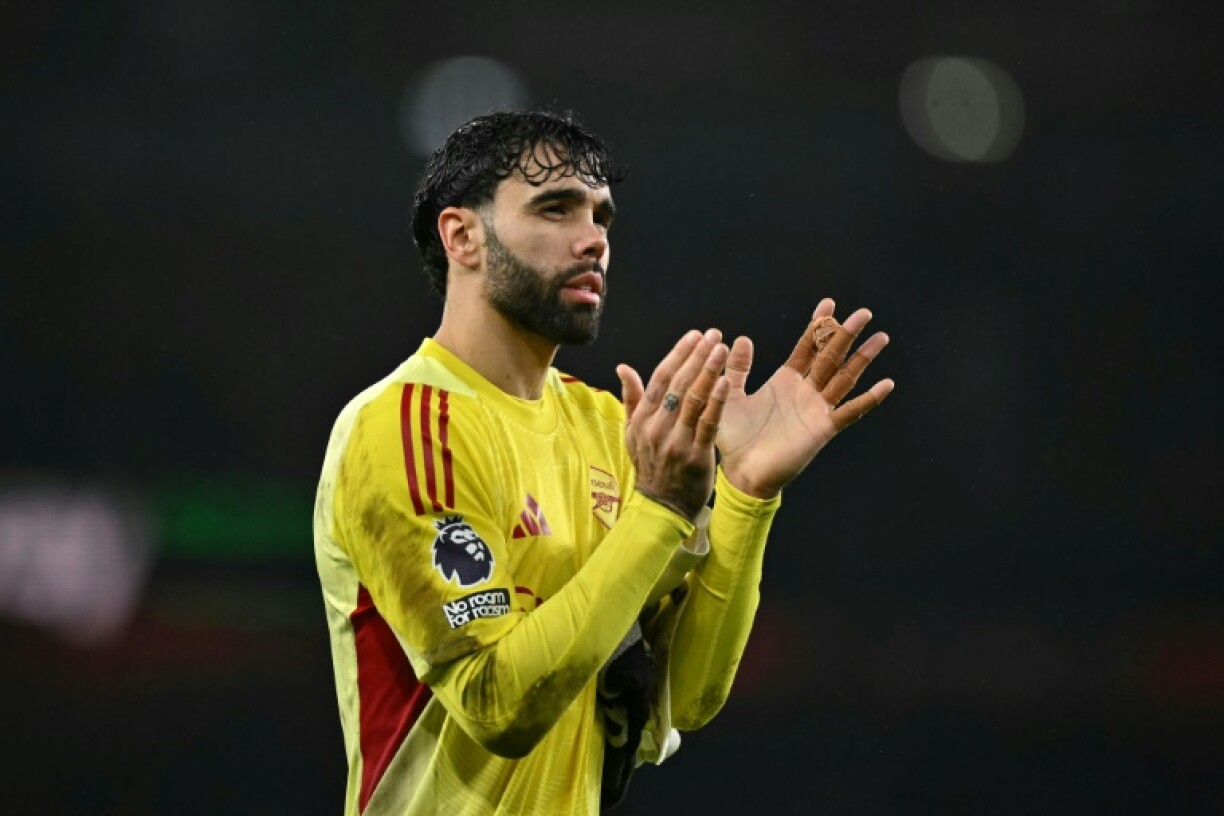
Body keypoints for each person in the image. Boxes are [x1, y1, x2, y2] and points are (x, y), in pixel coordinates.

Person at [314, 110, 894, 815]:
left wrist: (744, 495)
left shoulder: (610, 430)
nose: (593, 241)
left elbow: (689, 696)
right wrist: (656, 511)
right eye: (555, 209)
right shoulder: (407, 427)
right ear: (462, 235)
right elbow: (497, 705)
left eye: (602, 218)